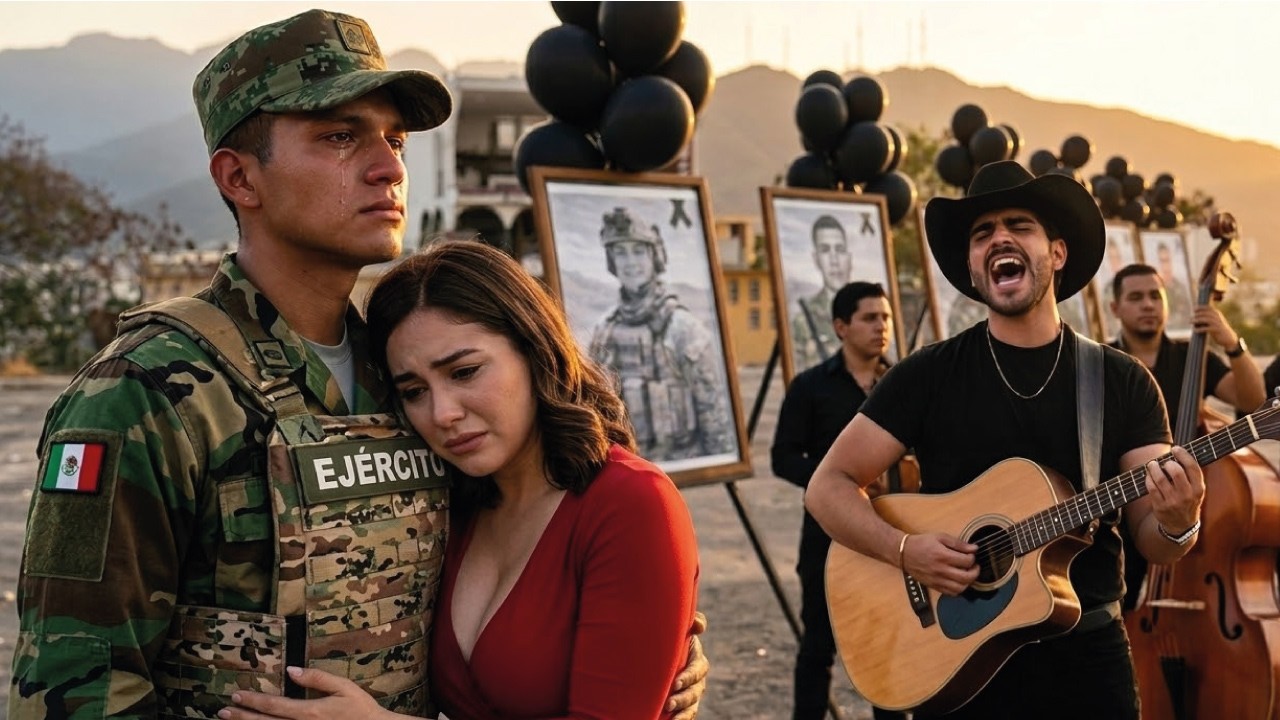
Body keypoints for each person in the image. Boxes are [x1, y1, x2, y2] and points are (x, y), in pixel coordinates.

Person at [8, 10, 706, 719]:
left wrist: (649, 645)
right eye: (340, 137)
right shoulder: (144, 393)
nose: (390, 167)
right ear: (239, 178)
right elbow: (73, 688)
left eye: (394, 138)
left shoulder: (402, 373)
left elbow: (517, 570)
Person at [224, 240, 700, 720]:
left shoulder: (633, 503)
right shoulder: (447, 502)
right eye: (413, 391)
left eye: (465, 371)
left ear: (536, 349)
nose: (443, 413)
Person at [805, 160, 1206, 719]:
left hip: (1087, 662)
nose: (999, 239)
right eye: (981, 234)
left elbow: (1154, 537)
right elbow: (827, 487)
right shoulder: (928, 375)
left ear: (1056, 254)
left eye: (1019, 225)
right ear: (973, 268)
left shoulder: (1120, 380)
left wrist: (1180, 518)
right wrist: (904, 550)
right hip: (957, 664)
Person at [771, 281, 904, 720]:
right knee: (818, 647)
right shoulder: (810, 387)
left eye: (884, 317)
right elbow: (783, 458)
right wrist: (842, 486)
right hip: (827, 540)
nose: (881, 327)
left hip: (894, 535)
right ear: (841, 327)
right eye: (869, 318)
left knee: (888, 645)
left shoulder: (902, 383)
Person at [1108, 261, 1266, 609]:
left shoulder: (1191, 356)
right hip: (1122, 518)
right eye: (1136, 297)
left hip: (1191, 515)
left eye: (1155, 295)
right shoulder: (1103, 363)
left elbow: (1254, 402)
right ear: (1115, 308)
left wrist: (1232, 344)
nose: (1148, 304)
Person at [588, 206, 735, 463]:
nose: (630, 262)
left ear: (654, 257)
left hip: (683, 462)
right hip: (626, 469)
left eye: (638, 251)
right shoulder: (605, 329)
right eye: (620, 253)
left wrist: (715, 465)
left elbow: (713, 414)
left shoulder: (683, 328)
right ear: (611, 262)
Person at [791, 215, 853, 369]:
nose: (834, 260)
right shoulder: (803, 320)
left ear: (849, 257)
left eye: (840, 249)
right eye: (825, 250)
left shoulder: (874, 313)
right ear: (816, 259)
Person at [1154, 241, 1193, 332]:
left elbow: (1187, 318)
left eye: (1167, 260)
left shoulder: (1181, 288)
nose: (1165, 266)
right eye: (1162, 261)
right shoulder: (1155, 289)